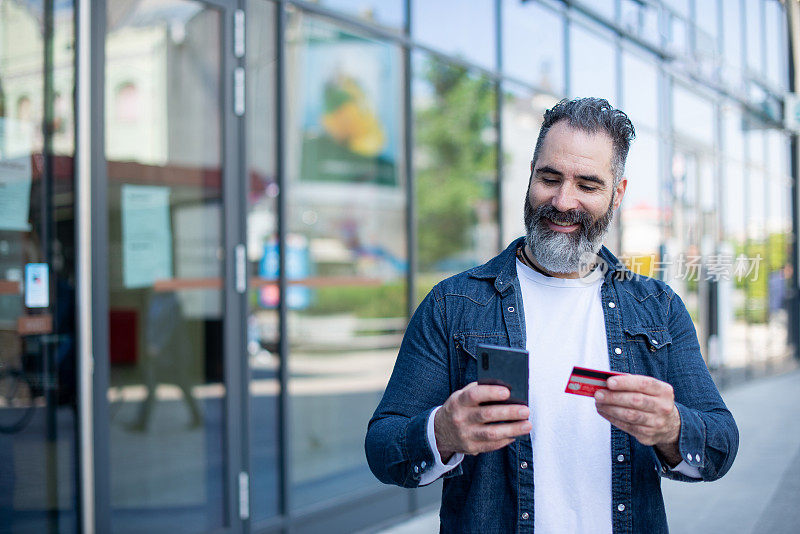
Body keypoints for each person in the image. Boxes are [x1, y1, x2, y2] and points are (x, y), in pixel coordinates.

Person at [365, 97, 738, 533]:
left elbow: (720, 445)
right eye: (550, 178)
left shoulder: (658, 308)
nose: (563, 201)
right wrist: (442, 432)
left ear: (617, 194)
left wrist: (672, 428)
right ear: (530, 176)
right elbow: (382, 447)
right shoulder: (452, 305)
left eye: (588, 185)